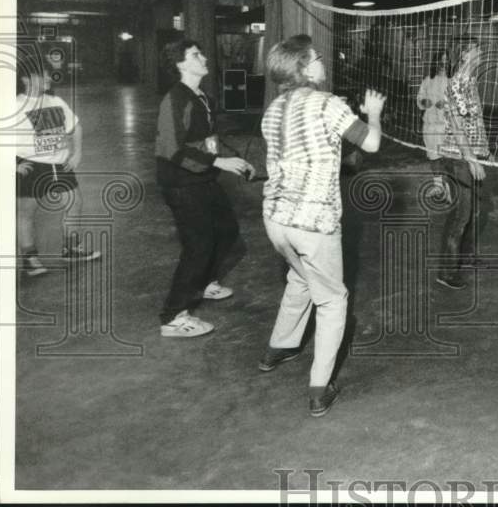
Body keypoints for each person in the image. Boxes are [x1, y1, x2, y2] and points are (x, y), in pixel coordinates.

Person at [258, 35, 384, 418]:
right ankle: (319, 388)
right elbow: (372, 144)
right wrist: (372, 113)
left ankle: (278, 348)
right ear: (303, 67)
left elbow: (313, 153)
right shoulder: (328, 104)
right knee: (332, 300)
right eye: (315, 57)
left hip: (276, 220)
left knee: (300, 279)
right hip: (314, 222)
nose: (321, 59)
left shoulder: (273, 109)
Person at [155, 39, 254, 338]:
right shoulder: (175, 98)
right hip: (181, 181)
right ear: (181, 64)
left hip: (204, 178)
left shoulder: (203, 98)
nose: (204, 57)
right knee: (198, 246)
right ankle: (173, 316)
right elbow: (173, 150)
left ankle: (205, 283)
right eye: (196, 54)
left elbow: (210, 140)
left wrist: (234, 158)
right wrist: (220, 163)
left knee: (227, 231)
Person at [15, 61, 101, 277]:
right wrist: (14, 164)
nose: (47, 79)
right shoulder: (14, 105)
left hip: (60, 164)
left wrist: (77, 153)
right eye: (42, 76)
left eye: (47, 76)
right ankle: (29, 258)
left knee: (75, 202)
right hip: (32, 166)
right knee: (27, 212)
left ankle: (71, 249)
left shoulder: (56, 101)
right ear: (25, 80)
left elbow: (76, 126)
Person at [435, 38, 493, 290]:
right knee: (461, 214)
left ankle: (466, 256)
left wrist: (486, 151)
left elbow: (475, 122)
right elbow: (458, 129)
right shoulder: (456, 85)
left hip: (473, 153)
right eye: (477, 50)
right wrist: (471, 159)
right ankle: (446, 272)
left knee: (475, 210)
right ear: (465, 55)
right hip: (459, 157)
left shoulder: (471, 82)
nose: (481, 53)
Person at [417, 50, 451, 199]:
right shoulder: (428, 80)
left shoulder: (452, 81)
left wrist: (446, 104)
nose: (443, 64)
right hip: (430, 125)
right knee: (433, 156)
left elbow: (458, 102)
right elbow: (420, 98)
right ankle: (438, 187)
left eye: (446, 61)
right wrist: (425, 101)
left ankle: (449, 186)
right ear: (436, 63)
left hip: (445, 125)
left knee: (446, 157)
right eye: (440, 61)